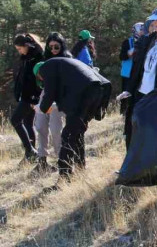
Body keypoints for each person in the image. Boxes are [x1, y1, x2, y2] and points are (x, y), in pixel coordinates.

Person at [37, 53, 111, 183]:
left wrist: (41, 108)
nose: (42, 80)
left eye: (40, 79)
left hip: (86, 93)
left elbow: (49, 93)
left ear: (38, 73)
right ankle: (80, 167)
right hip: (98, 90)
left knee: (67, 135)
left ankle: (64, 177)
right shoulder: (62, 67)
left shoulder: (46, 68)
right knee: (77, 132)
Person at [118, 5, 157, 150]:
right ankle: (130, 168)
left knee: (152, 134)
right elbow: (138, 68)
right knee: (132, 130)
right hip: (140, 93)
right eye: (153, 20)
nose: (153, 22)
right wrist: (130, 89)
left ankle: (149, 170)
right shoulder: (148, 39)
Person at [32, 32, 72, 172]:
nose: (54, 50)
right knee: (40, 126)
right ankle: (42, 160)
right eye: (51, 47)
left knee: (56, 130)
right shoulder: (46, 60)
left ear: (62, 46)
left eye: (56, 47)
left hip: (60, 98)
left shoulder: (68, 60)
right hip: (46, 95)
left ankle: (62, 161)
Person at [11, 33, 45, 163]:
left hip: (30, 97)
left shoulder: (37, 57)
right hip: (25, 95)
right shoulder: (26, 57)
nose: (19, 52)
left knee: (15, 120)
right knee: (27, 124)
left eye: (20, 49)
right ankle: (29, 154)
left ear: (26, 45)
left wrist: (34, 99)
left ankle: (30, 150)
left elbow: (39, 81)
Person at [120, 23, 146, 114]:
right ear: (136, 30)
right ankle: (123, 112)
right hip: (127, 73)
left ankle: (134, 111)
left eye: (144, 29)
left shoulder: (146, 42)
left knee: (136, 94)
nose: (143, 31)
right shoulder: (127, 42)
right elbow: (121, 56)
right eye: (141, 29)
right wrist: (129, 53)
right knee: (125, 93)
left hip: (139, 73)